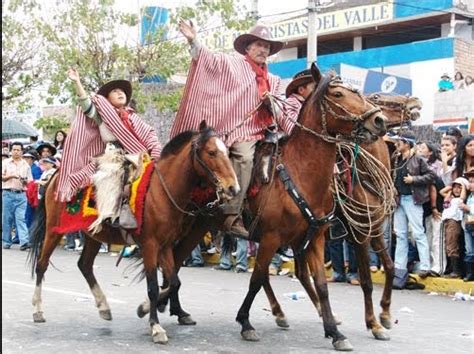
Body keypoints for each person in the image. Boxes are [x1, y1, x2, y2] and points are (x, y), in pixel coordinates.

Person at [173, 20, 294, 239]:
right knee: (245, 157)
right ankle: (230, 214)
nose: (263, 50)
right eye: (258, 45)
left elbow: (281, 111)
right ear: (247, 48)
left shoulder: (274, 80)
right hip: (240, 130)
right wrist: (193, 41)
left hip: (267, 132)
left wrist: (271, 104)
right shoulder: (234, 64)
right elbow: (211, 61)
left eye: (266, 47)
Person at [58, 68, 162, 230]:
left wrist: (156, 154)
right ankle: (110, 215)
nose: (121, 93)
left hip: (139, 157)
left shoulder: (134, 117)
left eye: (122, 91)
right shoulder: (102, 115)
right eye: (115, 91)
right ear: (106, 98)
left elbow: (150, 135)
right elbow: (85, 103)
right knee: (111, 175)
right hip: (112, 156)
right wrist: (77, 82)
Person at [392, 131, 435, 285]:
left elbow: (431, 176)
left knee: (418, 232)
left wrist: (414, 179)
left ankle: (425, 265)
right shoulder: (396, 159)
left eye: (399, 142)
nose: (397, 144)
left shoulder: (418, 159)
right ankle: (399, 267)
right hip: (399, 200)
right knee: (401, 235)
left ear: (407, 143)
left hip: (413, 199)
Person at [2, 142, 33, 250]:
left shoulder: (26, 165)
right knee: (7, 218)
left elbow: (30, 181)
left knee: (21, 218)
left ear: (22, 151)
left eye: (18, 150)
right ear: (11, 151)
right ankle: (6, 241)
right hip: (8, 193)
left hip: (21, 194)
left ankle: (24, 242)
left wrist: (24, 181)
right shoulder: (5, 162)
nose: (16, 152)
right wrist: (11, 176)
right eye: (14, 149)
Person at [440, 177, 468, 278]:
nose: (456, 189)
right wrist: (450, 187)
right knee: (448, 245)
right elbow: (441, 191)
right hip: (446, 222)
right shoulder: (450, 198)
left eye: (459, 187)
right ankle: (451, 268)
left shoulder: (460, 200)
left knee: (452, 245)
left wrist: (463, 185)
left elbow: (463, 195)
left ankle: (456, 270)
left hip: (453, 222)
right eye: (455, 187)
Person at [460, 169, 474, 281]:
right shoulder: (469, 196)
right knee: (469, 250)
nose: (471, 184)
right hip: (468, 225)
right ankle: (470, 273)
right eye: (470, 181)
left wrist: (468, 208)